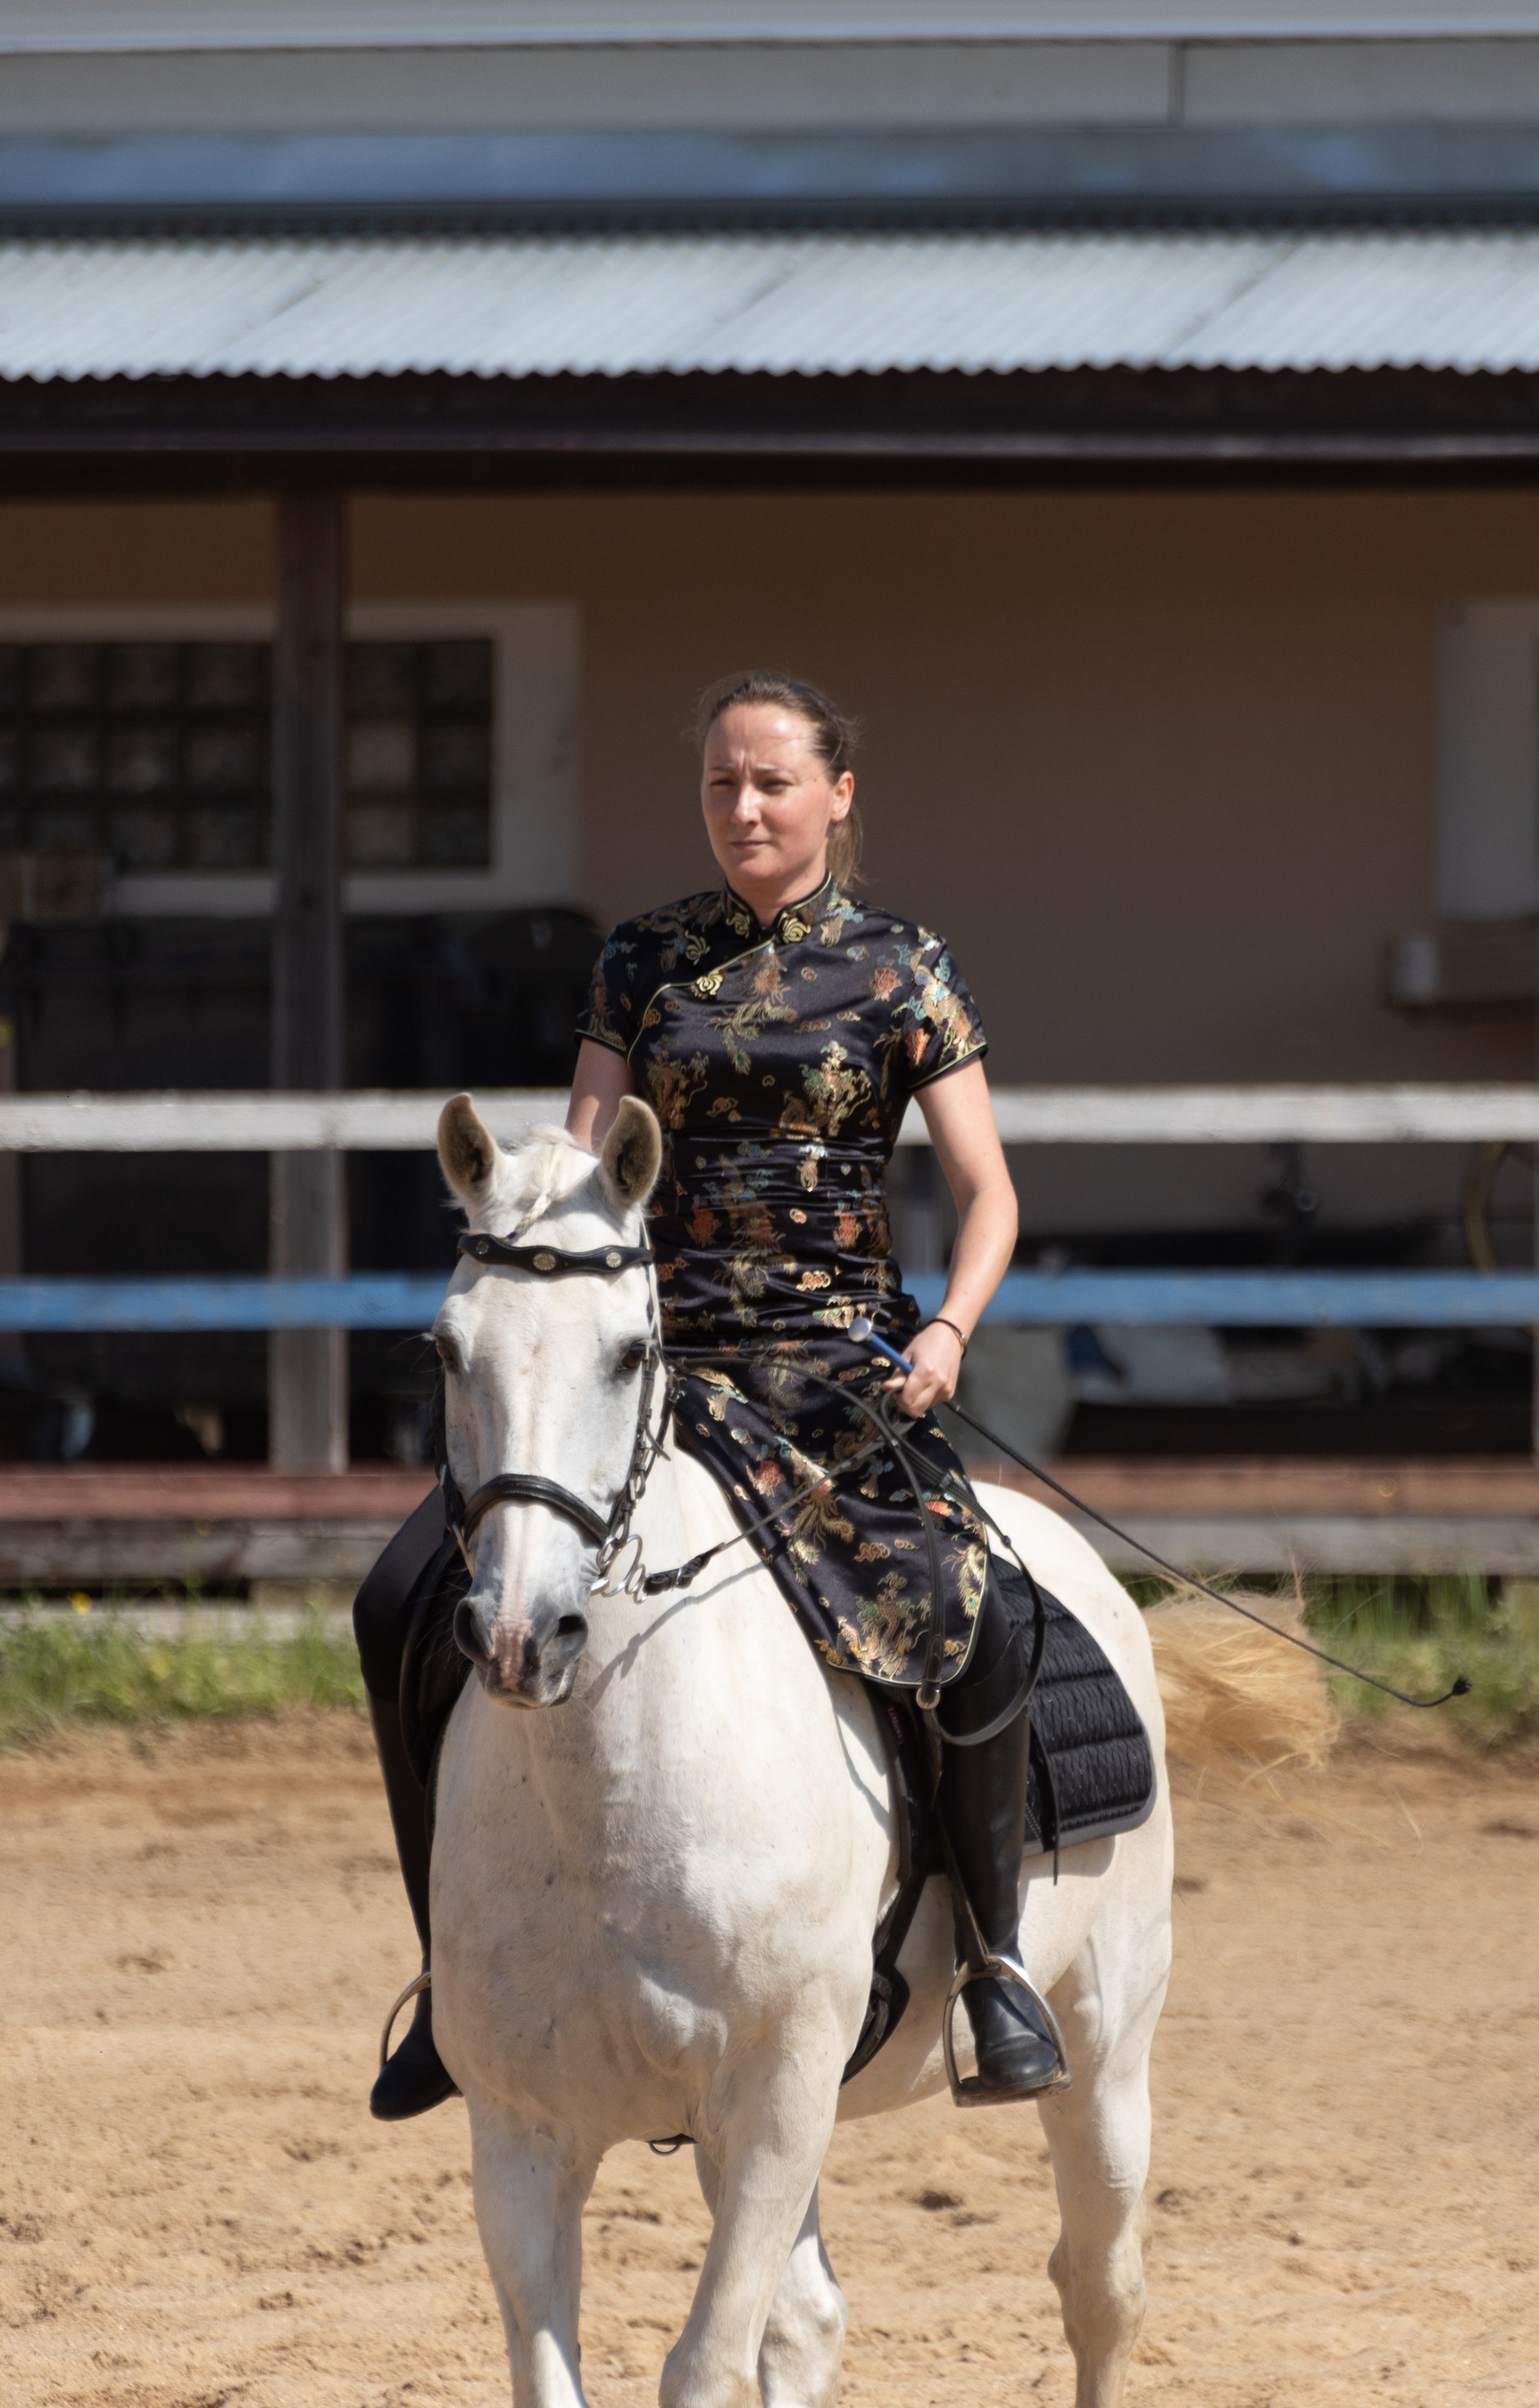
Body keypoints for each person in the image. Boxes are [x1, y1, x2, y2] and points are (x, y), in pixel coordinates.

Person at [354, 668, 1062, 2118]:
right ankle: (452, 1979)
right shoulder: (641, 961)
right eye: (722, 784)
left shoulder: (902, 968)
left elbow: (988, 1195)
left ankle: (994, 1969)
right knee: (398, 1602)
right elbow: (578, 1176)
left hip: (843, 1377)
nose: (744, 807)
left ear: (837, 796)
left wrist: (952, 1332)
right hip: (653, 1380)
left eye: (775, 783)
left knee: (976, 1615)